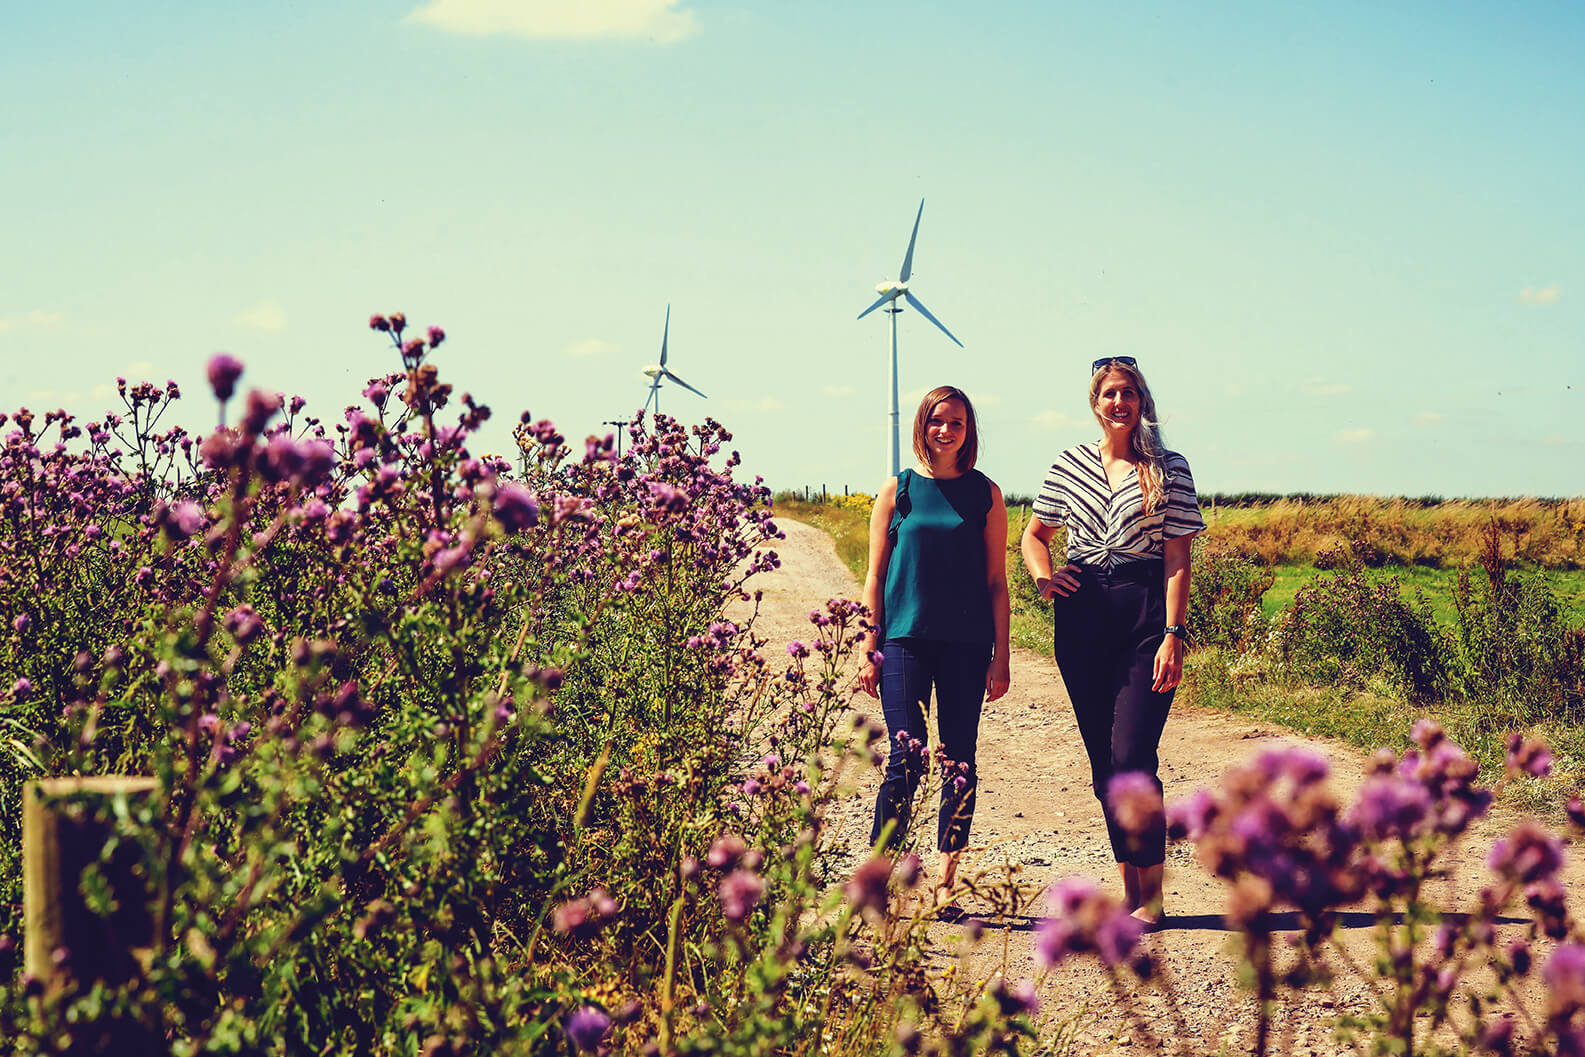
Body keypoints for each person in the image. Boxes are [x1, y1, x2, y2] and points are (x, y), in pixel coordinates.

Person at [1020, 357, 1204, 924]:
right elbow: (1035, 534)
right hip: (1082, 616)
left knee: (1132, 755)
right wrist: (1044, 577)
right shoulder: (1069, 463)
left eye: (1128, 393)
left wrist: (1173, 634)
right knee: (1104, 764)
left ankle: (1153, 889)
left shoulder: (1169, 468)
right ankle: (1131, 888)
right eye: (1109, 394)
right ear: (1095, 404)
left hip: (1145, 613)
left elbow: (1177, 556)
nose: (1118, 403)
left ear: (1141, 402)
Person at [859, 385, 1012, 913]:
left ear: (969, 432)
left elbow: (997, 580)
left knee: (959, 759)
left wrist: (1003, 654)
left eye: (957, 424)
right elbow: (875, 575)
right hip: (903, 639)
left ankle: (947, 883)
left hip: (968, 647)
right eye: (937, 422)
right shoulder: (896, 490)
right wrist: (867, 644)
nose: (946, 431)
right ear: (922, 425)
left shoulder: (986, 495)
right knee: (905, 756)